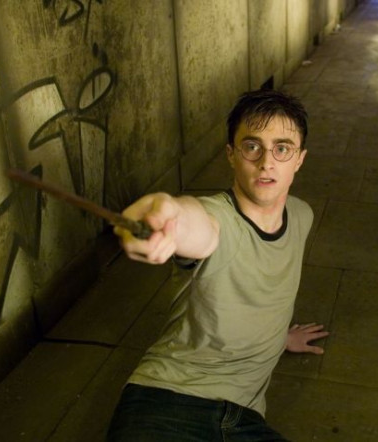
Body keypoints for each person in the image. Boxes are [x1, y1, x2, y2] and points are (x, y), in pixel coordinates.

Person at [107, 89, 328, 441]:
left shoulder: (302, 215)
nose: (266, 162)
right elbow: (197, 225)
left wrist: (277, 337)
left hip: (244, 418)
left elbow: (265, 287)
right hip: (168, 400)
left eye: (282, 148)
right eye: (252, 146)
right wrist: (167, 212)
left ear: (299, 159)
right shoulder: (216, 218)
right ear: (231, 154)